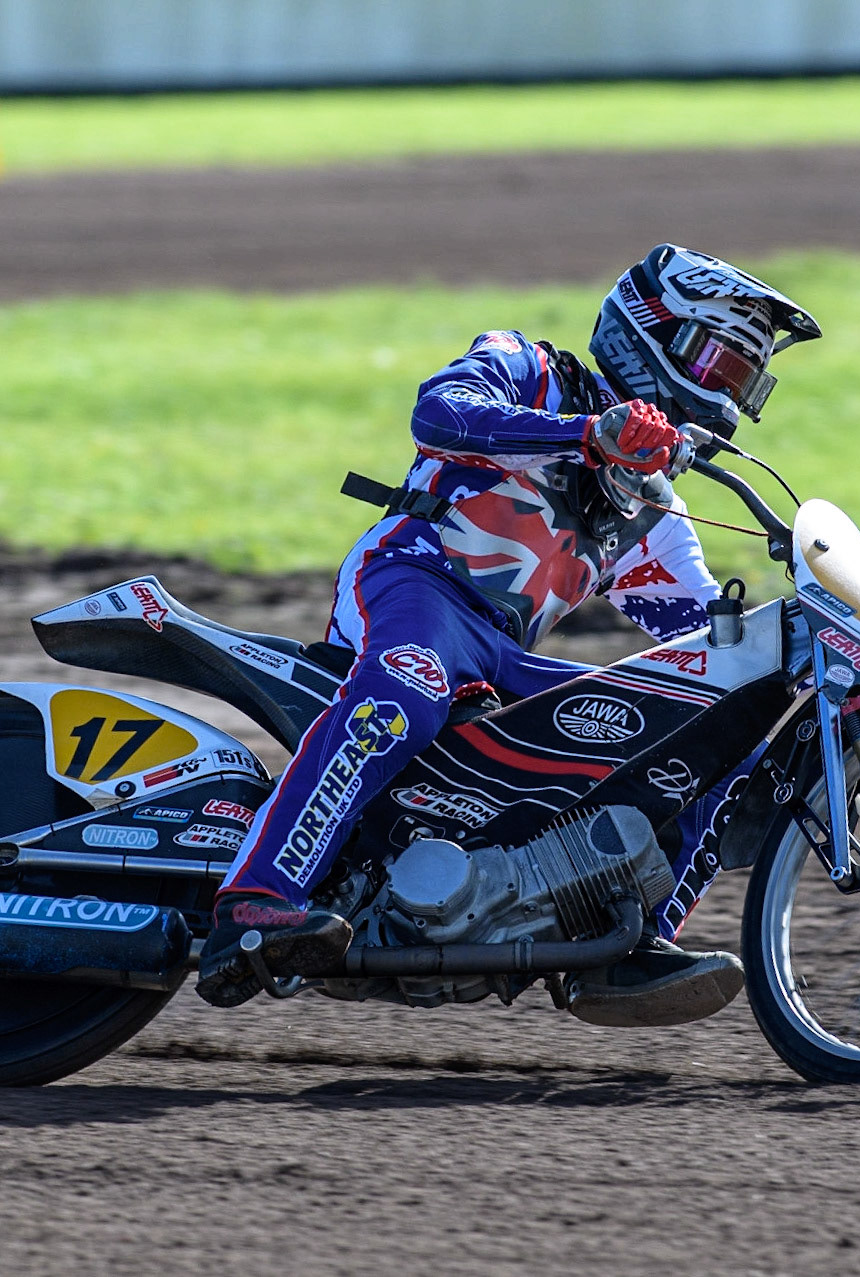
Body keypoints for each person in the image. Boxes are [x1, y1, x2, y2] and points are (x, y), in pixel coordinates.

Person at [195, 244, 822, 1022]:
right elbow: (438, 413)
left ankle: (631, 947)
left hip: (498, 656)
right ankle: (255, 897)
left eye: (743, 381)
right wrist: (589, 433)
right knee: (412, 686)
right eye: (721, 365)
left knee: (715, 729)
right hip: (413, 582)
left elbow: (709, 648)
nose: (727, 396)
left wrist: (848, 640)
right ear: (656, 333)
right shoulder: (527, 366)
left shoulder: (655, 515)